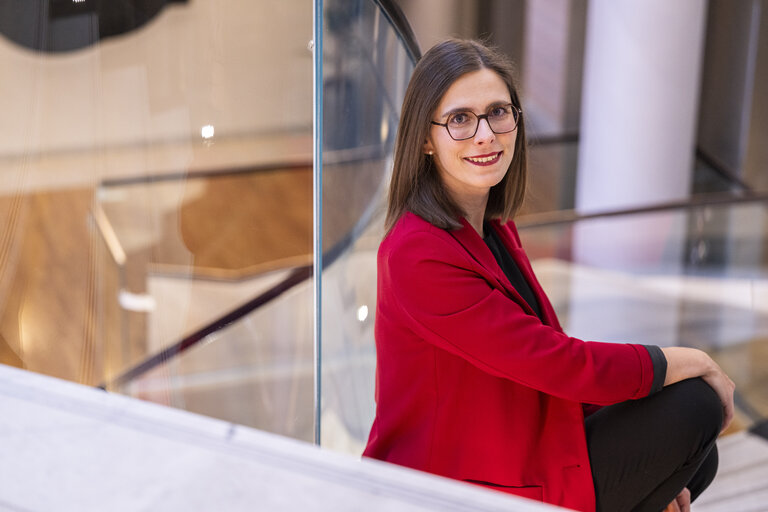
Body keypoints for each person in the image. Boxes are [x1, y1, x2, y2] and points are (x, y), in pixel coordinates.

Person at [362, 39, 735, 512]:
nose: (485, 134)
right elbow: (558, 363)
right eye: (460, 119)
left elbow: (545, 370)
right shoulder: (417, 254)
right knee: (694, 409)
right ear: (424, 139)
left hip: (519, 445)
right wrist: (691, 360)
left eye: (498, 112)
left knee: (698, 451)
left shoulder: (491, 230)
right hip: (455, 485)